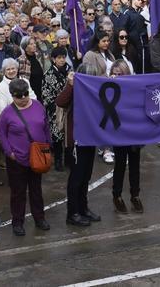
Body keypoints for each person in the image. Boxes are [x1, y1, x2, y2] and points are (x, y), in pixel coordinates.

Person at [0, 78, 50, 236]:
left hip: (37, 156)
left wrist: (48, 146)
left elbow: (46, 127)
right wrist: (10, 153)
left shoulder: (38, 106)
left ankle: (39, 218)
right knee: (18, 193)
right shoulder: (7, 113)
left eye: (25, 93)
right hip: (17, 160)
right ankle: (17, 222)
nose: (23, 98)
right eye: (19, 96)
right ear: (12, 95)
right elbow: (2, 135)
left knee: (36, 190)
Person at [55, 54, 101, 226]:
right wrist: (70, 85)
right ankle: (72, 213)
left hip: (90, 138)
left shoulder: (95, 90)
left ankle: (83, 208)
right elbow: (60, 101)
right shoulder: (73, 87)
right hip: (75, 140)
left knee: (86, 175)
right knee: (76, 177)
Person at [106, 62, 143, 214]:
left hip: (134, 132)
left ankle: (135, 195)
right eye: (114, 73)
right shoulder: (108, 88)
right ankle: (117, 196)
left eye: (120, 74)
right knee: (120, 164)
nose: (117, 76)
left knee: (135, 165)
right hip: (119, 132)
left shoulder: (133, 88)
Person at [40, 46, 72, 171]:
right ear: (53, 59)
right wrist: (56, 106)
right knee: (57, 135)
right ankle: (58, 160)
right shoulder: (48, 75)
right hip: (55, 110)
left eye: (63, 57)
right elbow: (46, 95)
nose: (62, 60)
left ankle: (69, 159)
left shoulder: (70, 71)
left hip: (70, 108)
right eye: (59, 58)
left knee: (69, 134)